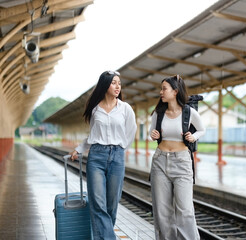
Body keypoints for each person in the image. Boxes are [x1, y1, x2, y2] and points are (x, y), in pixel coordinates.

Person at [69, 70, 137, 240]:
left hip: (117, 157)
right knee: (98, 204)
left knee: (112, 204)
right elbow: (92, 135)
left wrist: (120, 149)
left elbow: (131, 132)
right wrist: (79, 149)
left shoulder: (125, 109)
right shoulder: (95, 110)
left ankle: (103, 236)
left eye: (119, 83)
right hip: (96, 157)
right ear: (104, 85)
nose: (117, 86)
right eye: (114, 82)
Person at [149, 74, 205, 240]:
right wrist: (153, 134)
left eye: (164, 89)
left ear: (175, 91)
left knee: (185, 210)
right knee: (162, 211)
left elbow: (201, 129)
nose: (161, 92)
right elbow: (151, 134)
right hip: (160, 161)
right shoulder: (158, 113)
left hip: (182, 162)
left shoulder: (189, 112)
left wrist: (193, 137)